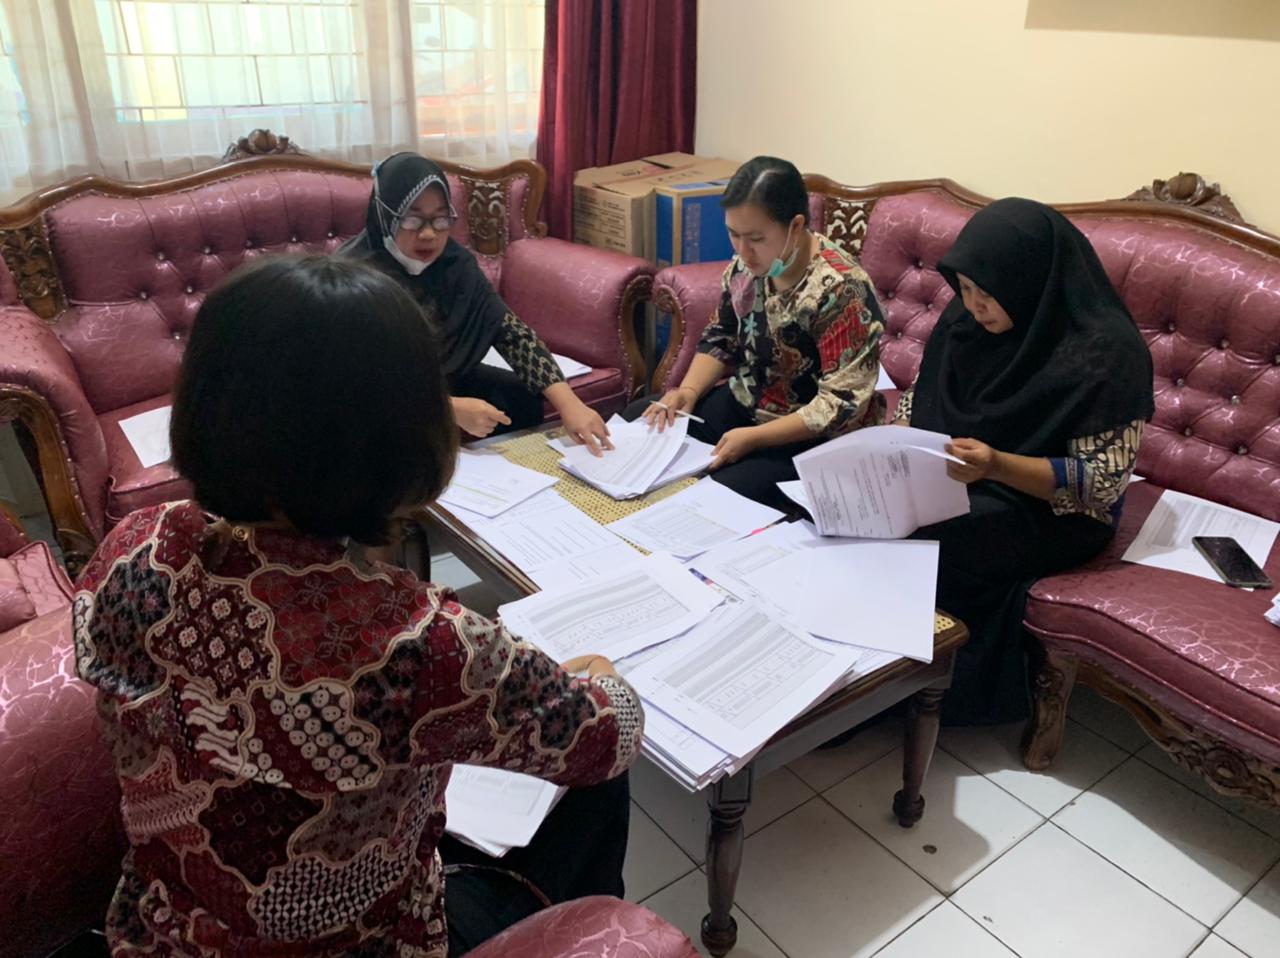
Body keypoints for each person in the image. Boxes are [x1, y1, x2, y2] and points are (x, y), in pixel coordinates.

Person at [73, 256, 643, 957]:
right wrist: (605, 682)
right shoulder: (418, 643)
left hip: (164, 929)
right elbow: (610, 738)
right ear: (401, 437)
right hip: (365, 942)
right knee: (597, 788)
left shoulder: (134, 546)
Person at [899, 197, 1155, 725]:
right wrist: (894, 443)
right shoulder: (964, 317)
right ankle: (868, 671)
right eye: (964, 289)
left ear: (1029, 283)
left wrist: (996, 465)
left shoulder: (1108, 352)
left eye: (987, 294)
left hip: (1058, 509)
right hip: (962, 473)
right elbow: (920, 396)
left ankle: (935, 691)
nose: (974, 307)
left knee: (942, 532)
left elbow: (1100, 484)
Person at [627, 156, 885, 510]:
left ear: (796, 226)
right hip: (747, 402)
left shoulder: (842, 290)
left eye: (756, 238)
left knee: (717, 497)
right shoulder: (746, 269)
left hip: (810, 435)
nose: (742, 252)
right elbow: (721, 336)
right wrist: (687, 392)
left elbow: (840, 404)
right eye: (734, 234)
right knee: (640, 420)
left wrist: (755, 439)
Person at [338, 152, 611, 453]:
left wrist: (570, 404)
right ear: (384, 215)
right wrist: (448, 408)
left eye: (441, 219)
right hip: (380, 397)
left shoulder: (455, 264)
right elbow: (355, 383)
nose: (429, 234)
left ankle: (508, 477)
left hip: (445, 377)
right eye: (412, 219)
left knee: (518, 395)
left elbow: (510, 333)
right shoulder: (351, 280)